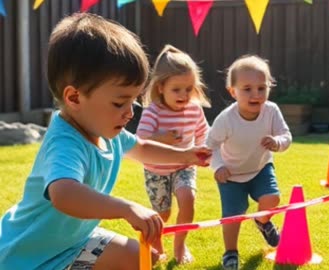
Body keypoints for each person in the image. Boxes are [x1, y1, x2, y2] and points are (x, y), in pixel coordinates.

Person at [0, 13, 211, 270]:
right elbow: (64, 194)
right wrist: (126, 208)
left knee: (142, 259)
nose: (130, 112)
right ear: (75, 98)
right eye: (119, 102)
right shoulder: (65, 143)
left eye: (132, 101)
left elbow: (142, 148)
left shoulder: (105, 132)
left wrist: (185, 156)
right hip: (29, 256)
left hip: (73, 244)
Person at [206, 55, 292, 270]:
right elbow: (210, 146)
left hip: (261, 168)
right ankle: (231, 252)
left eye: (261, 88)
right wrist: (218, 167)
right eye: (247, 89)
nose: (256, 94)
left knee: (272, 198)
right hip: (231, 175)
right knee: (233, 217)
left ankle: (263, 222)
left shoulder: (271, 111)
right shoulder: (226, 119)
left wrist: (278, 142)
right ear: (232, 91)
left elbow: (286, 135)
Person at [135, 44, 210, 264]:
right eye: (176, 90)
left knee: (188, 198)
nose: (184, 95)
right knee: (163, 214)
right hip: (156, 169)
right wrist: (162, 138)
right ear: (160, 88)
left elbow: (203, 133)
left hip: (184, 166)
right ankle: (157, 246)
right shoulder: (153, 112)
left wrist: (203, 150)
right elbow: (141, 138)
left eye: (189, 89)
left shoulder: (194, 110)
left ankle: (179, 245)